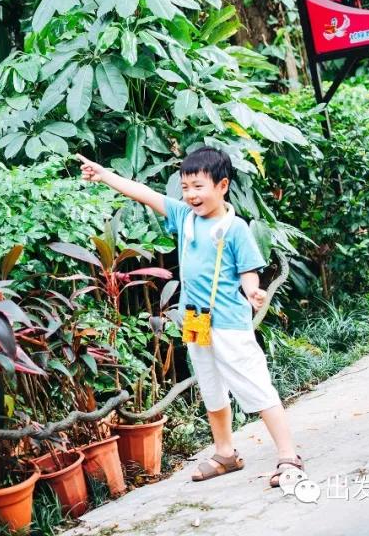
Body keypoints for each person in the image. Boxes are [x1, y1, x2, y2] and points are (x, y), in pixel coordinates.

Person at [76, 147, 305, 485]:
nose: (191, 195)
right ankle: (225, 453)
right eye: (185, 187)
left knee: (256, 386)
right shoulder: (184, 217)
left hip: (228, 324)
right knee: (211, 388)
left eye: (198, 186)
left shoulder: (235, 228)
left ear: (222, 186)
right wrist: (104, 175)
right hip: (195, 322)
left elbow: (248, 270)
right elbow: (145, 194)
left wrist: (253, 291)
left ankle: (289, 457)